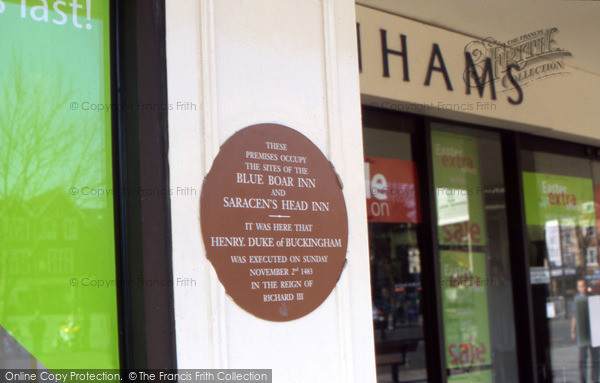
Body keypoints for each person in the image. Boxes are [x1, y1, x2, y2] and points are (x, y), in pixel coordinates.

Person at [572, 278, 599, 383]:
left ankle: (595, 379)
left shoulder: (593, 297)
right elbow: (574, 317)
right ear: (578, 288)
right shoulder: (576, 300)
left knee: (596, 358)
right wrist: (573, 331)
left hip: (594, 333)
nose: (582, 288)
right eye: (580, 286)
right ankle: (583, 380)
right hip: (582, 333)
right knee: (583, 358)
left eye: (583, 285)